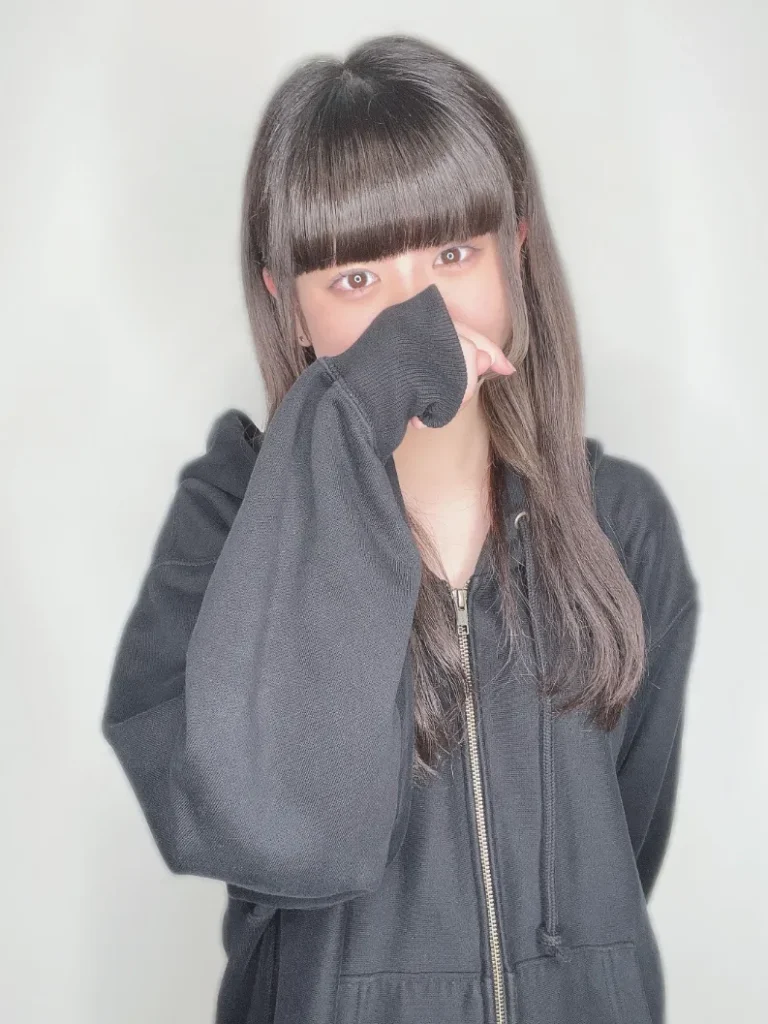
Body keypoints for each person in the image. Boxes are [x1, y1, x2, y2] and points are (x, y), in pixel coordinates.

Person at [101, 32, 700, 1024]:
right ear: (286, 305)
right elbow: (277, 831)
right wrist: (352, 418)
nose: (418, 312)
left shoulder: (621, 522)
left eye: (454, 254)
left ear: (515, 251)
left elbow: (621, 855)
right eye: (355, 279)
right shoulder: (224, 529)